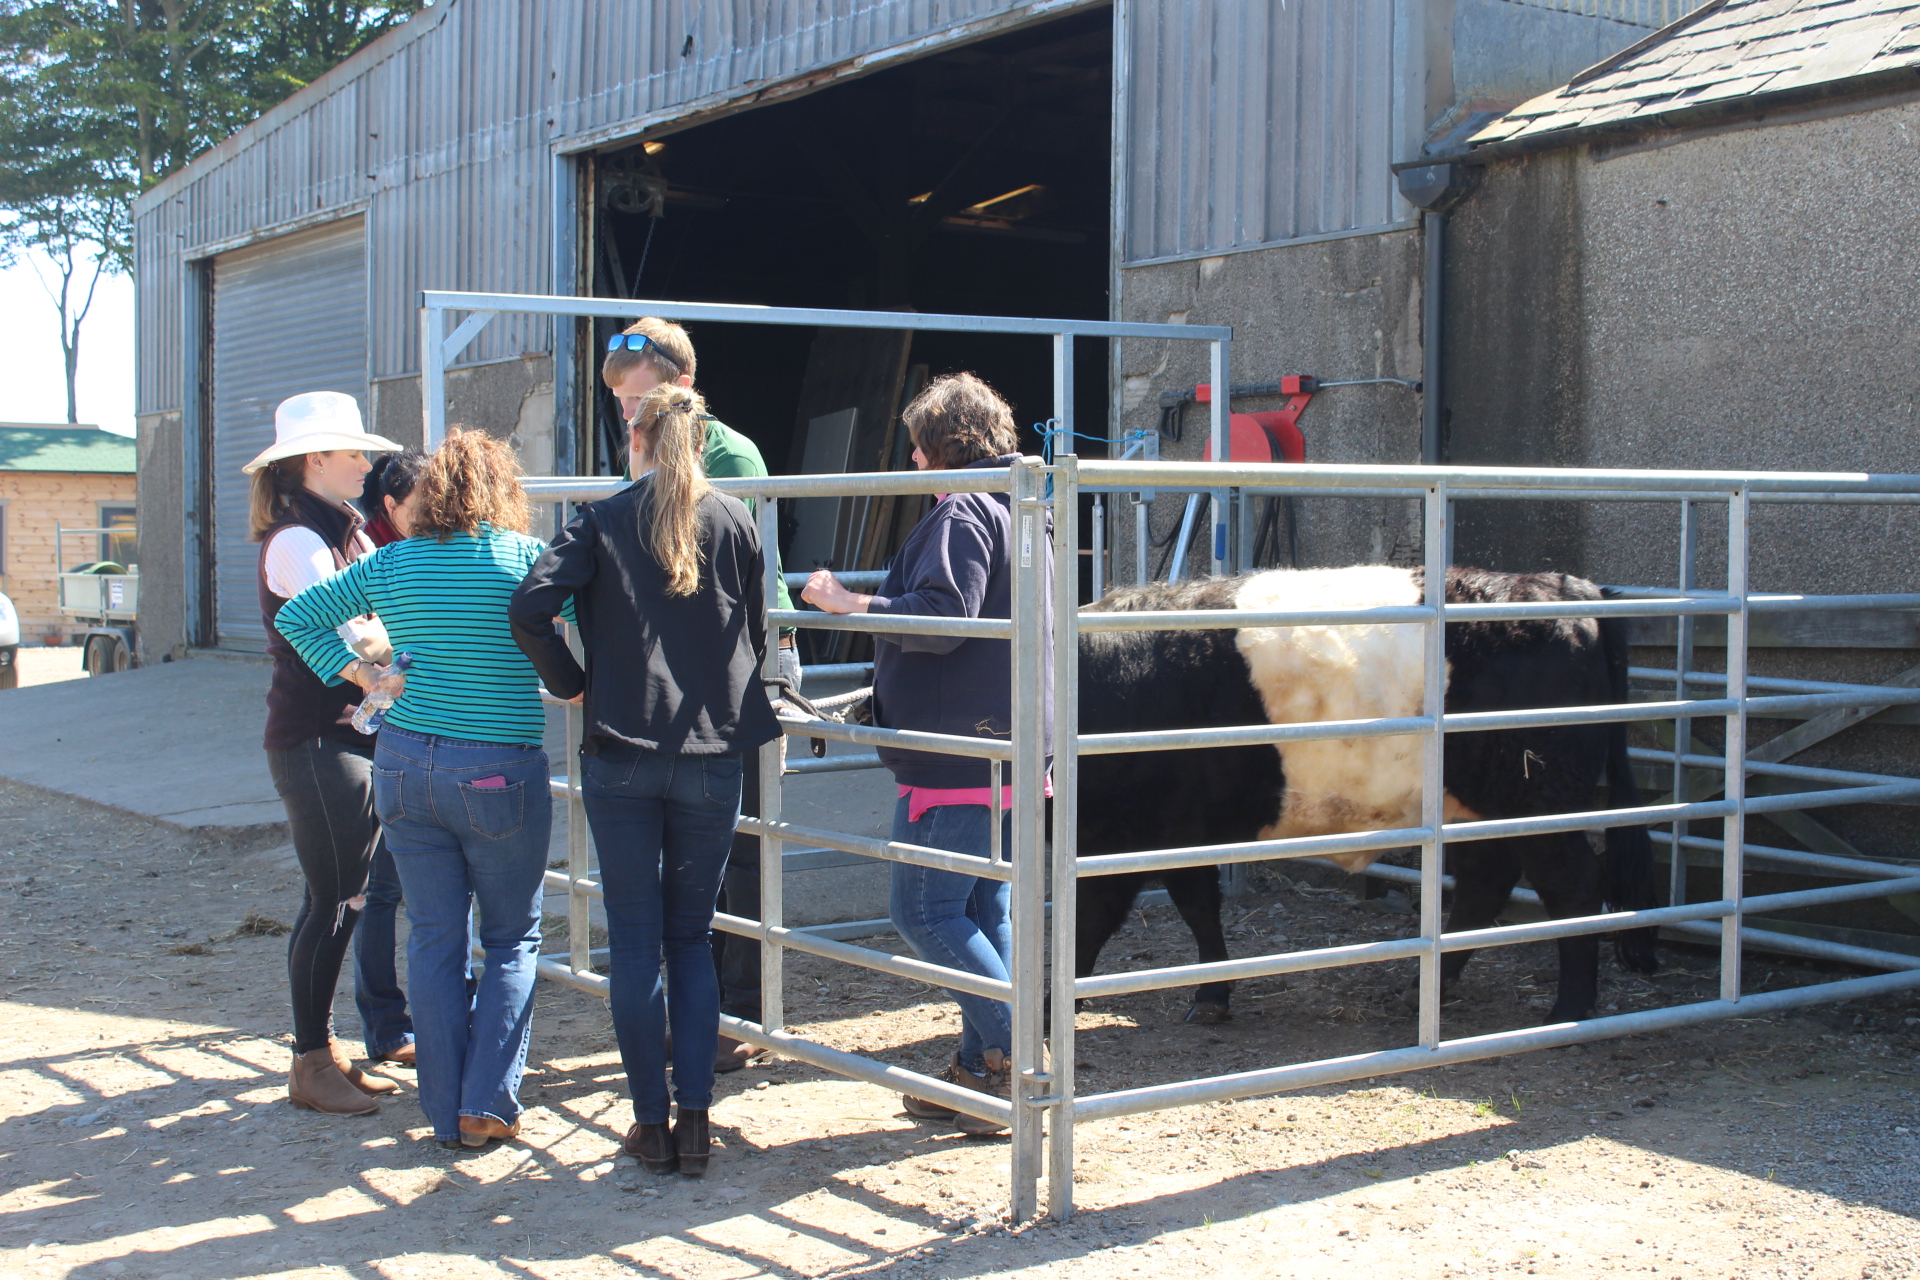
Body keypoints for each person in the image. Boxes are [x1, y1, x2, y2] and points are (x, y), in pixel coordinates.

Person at [510, 383, 779, 1178]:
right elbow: (758, 629)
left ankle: (650, 1124)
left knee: (634, 943)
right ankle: (696, 1121)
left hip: (622, 749)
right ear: (698, 442)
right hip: (712, 754)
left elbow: (530, 607)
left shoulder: (601, 518)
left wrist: (570, 682)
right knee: (691, 939)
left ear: (637, 439)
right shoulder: (735, 520)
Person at [276, 429, 560, 1151]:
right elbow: (595, 626)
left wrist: (363, 675)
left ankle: (442, 1109)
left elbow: (295, 616)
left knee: (434, 935)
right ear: (503, 491)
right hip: (496, 766)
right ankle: (486, 1102)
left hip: (403, 764)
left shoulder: (393, 559)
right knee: (511, 937)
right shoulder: (526, 559)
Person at [802, 372, 1052, 1136]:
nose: (912, 461)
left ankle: (1020, 1054)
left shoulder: (964, 509)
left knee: (923, 909)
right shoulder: (1022, 510)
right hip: (1009, 746)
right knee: (982, 907)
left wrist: (851, 603)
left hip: (958, 753)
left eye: (918, 447)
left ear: (945, 446)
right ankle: (980, 1075)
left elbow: (947, 616)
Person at [601, 317, 798, 1073]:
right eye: (620, 401)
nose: (627, 414)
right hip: (686, 665)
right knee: (692, 848)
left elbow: (740, 571)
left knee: (742, 846)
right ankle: (701, 1004)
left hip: (741, 660)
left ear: (680, 386)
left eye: (637, 399)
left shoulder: (727, 454)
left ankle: (739, 1012)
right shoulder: (645, 450)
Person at [243, 390, 406, 1116]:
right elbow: (360, 634)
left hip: (344, 736)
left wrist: (383, 640)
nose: (366, 464)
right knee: (336, 898)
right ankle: (310, 1058)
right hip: (317, 740)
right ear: (315, 460)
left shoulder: (342, 534)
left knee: (339, 896)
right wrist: (382, 647)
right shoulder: (298, 541)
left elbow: (379, 624)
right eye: (353, 453)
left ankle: (321, 1050)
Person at [351, 448, 429, 1069]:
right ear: (391, 505)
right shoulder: (375, 555)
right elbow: (312, 621)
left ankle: (427, 1015)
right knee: (380, 887)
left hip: (414, 734)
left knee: (417, 888)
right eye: (422, 505)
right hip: (376, 733)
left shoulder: (401, 547)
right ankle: (385, 1022)